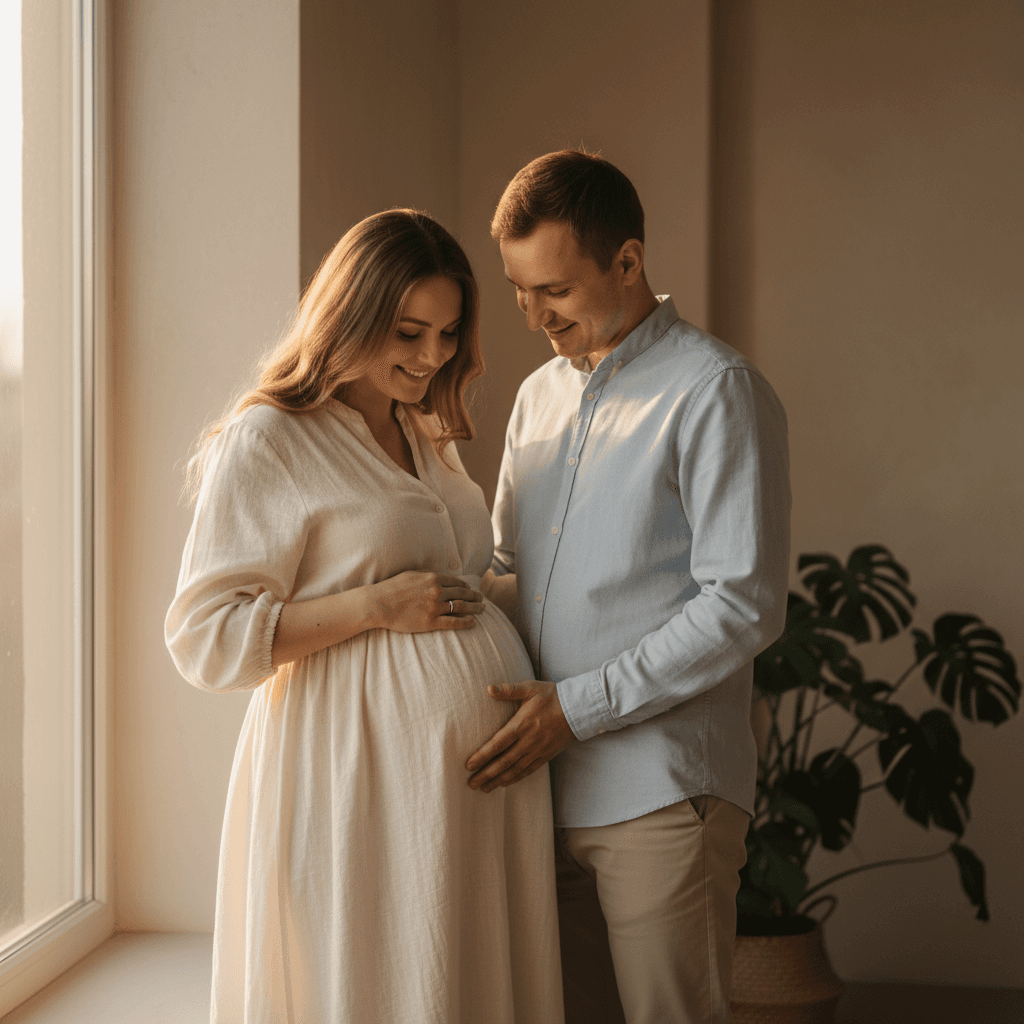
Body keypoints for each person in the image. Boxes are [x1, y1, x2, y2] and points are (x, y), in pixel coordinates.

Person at [165, 209, 563, 1024]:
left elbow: (458, 581)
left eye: (448, 334)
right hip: (353, 773)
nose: (431, 358)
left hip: (463, 792)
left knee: (462, 980)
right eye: (409, 333)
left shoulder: (421, 428)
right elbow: (204, 639)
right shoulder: (270, 438)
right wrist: (374, 606)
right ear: (349, 317)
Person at [467, 151, 792, 1024]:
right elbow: (509, 568)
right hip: (540, 796)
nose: (535, 316)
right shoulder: (535, 398)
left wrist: (577, 708)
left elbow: (744, 604)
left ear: (627, 261)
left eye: (557, 292)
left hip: (659, 791)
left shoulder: (715, 390)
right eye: (520, 291)